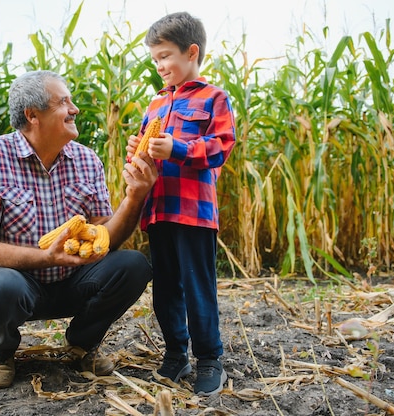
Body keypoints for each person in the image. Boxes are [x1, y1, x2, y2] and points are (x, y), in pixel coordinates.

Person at [0, 70, 158, 388]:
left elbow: (105, 236)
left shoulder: (87, 160)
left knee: (133, 265)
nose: (74, 109)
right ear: (32, 115)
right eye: (64, 102)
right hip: (21, 286)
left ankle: (81, 345)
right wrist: (46, 256)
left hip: (77, 280)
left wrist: (135, 196)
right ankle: (1, 352)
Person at [126, 11, 236, 396]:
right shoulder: (155, 104)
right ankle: (176, 353)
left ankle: (210, 358)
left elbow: (220, 146)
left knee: (197, 286)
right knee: (166, 288)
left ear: (191, 52)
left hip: (193, 213)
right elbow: (142, 151)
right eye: (154, 59)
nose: (159, 66)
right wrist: (135, 158)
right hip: (158, 210)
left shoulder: (214, 98)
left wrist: (178, 147)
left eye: (165, 56)